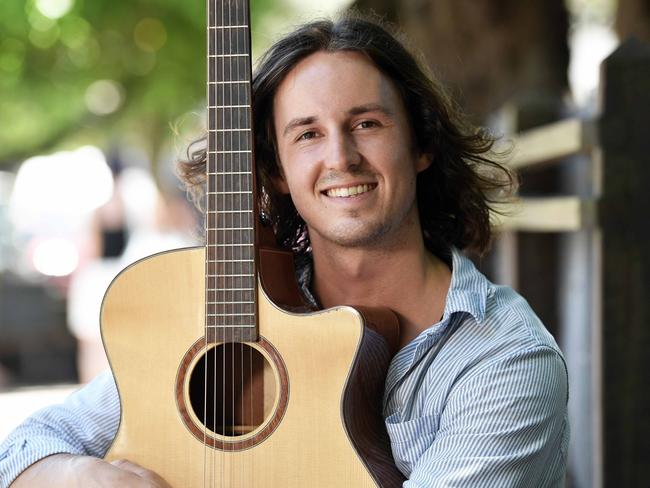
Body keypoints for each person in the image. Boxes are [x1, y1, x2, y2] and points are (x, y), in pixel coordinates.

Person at [0, 14, 568, 487]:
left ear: (421, 144)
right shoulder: (235, 322)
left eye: (366, 123)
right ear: (274, 171)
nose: (341, 158)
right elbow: (24, 449)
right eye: (307, 134)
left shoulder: (506, 359)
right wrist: (89, 477)